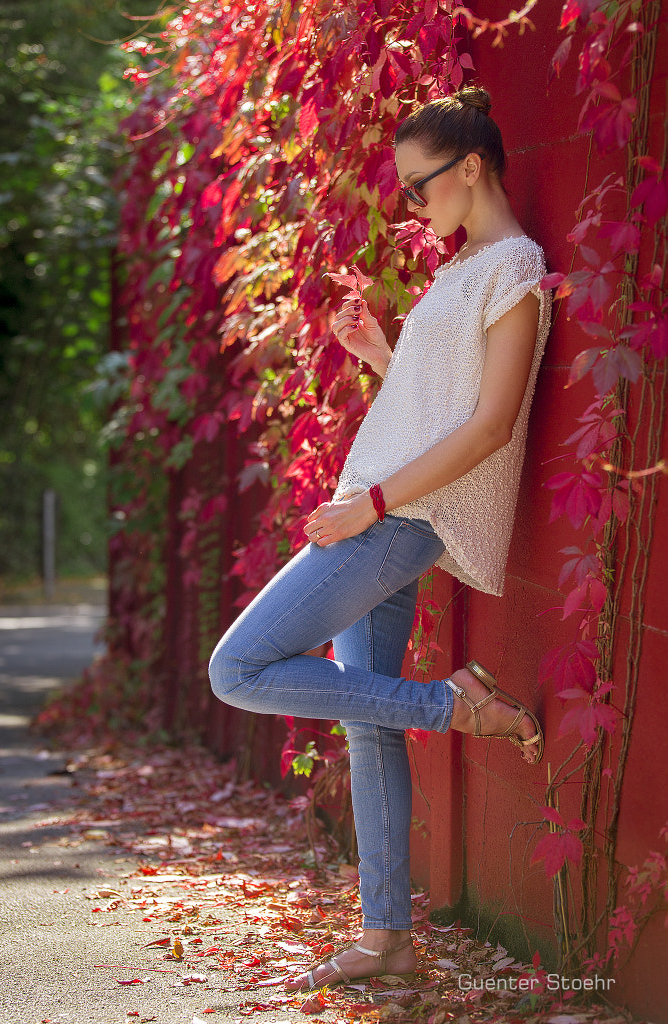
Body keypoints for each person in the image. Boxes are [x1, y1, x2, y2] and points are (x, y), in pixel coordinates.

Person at [209, 85, 551, 993]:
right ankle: (387, 938)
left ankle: (457, 706)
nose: (411, 204)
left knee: (235, 669)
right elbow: (435, 405)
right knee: (365, 721)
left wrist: (372, 506)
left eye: (417, 186)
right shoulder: (462, 265)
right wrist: (380, 359)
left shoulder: (514, 268)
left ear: (469, 168)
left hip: (400, 518)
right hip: (386, 503)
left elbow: (488, 427)